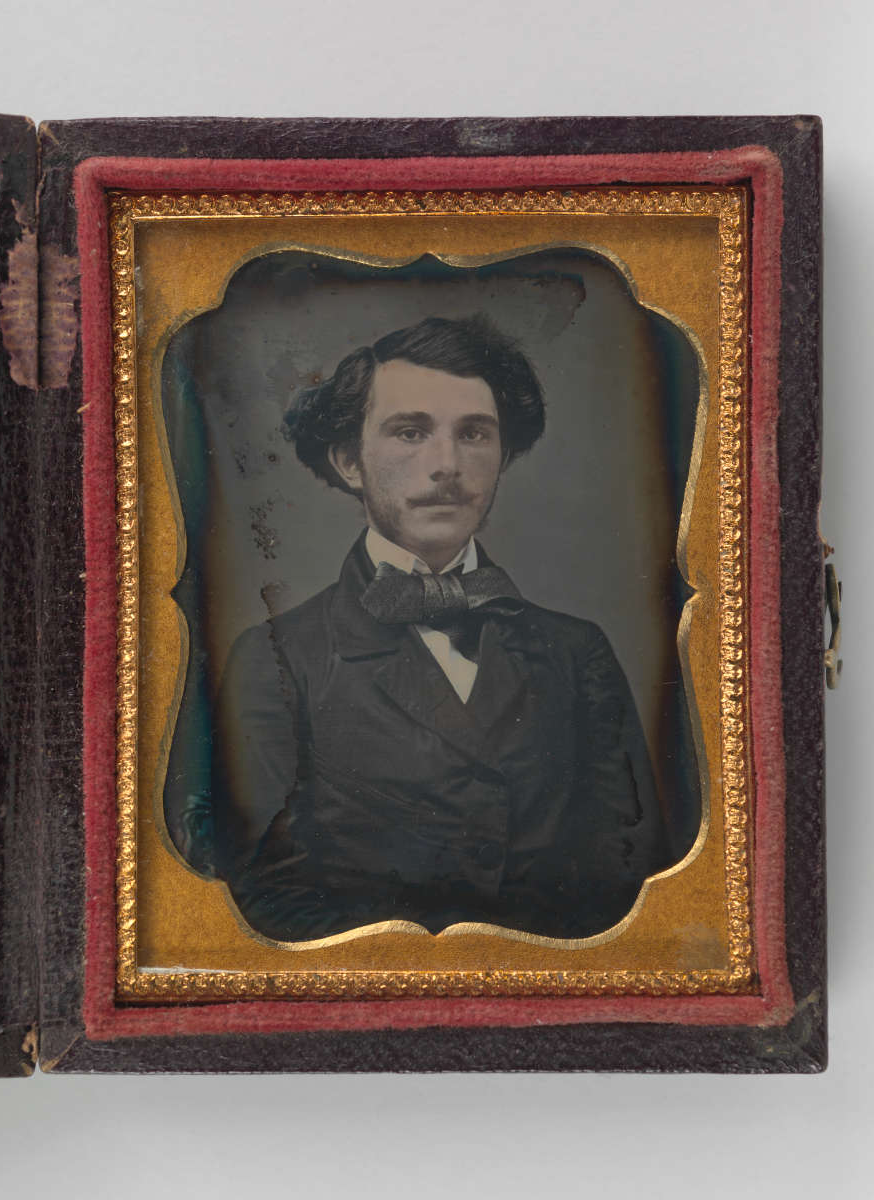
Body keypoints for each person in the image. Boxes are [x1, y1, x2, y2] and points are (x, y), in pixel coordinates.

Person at [210, 314, 670, 941]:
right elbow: (255, 897)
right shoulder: (278, 657)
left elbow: (635, 872)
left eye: (475, 434)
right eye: (409, 432)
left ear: (503, 456)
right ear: (349, 460)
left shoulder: (574, 650)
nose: (447, 464)